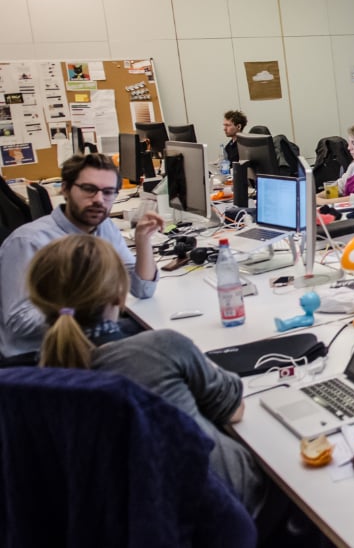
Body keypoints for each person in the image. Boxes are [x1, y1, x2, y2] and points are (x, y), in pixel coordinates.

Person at [28, 234, 266, 518]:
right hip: (219, 508)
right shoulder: (160, 347)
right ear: (120, 294)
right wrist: (196, 362)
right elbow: (234, 410)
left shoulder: (42, 378)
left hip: (120, 520)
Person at [0, 153, 163, 357]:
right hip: (41, 353)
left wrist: (143, 241)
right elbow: (19, 323)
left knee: (166, 341)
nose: (98, 200)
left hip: (92, 335)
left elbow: (143, 290)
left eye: (108, 192)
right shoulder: (27, 242)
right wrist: (91, 309)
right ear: (66, 189)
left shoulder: (104, 227)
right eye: (89, 189)